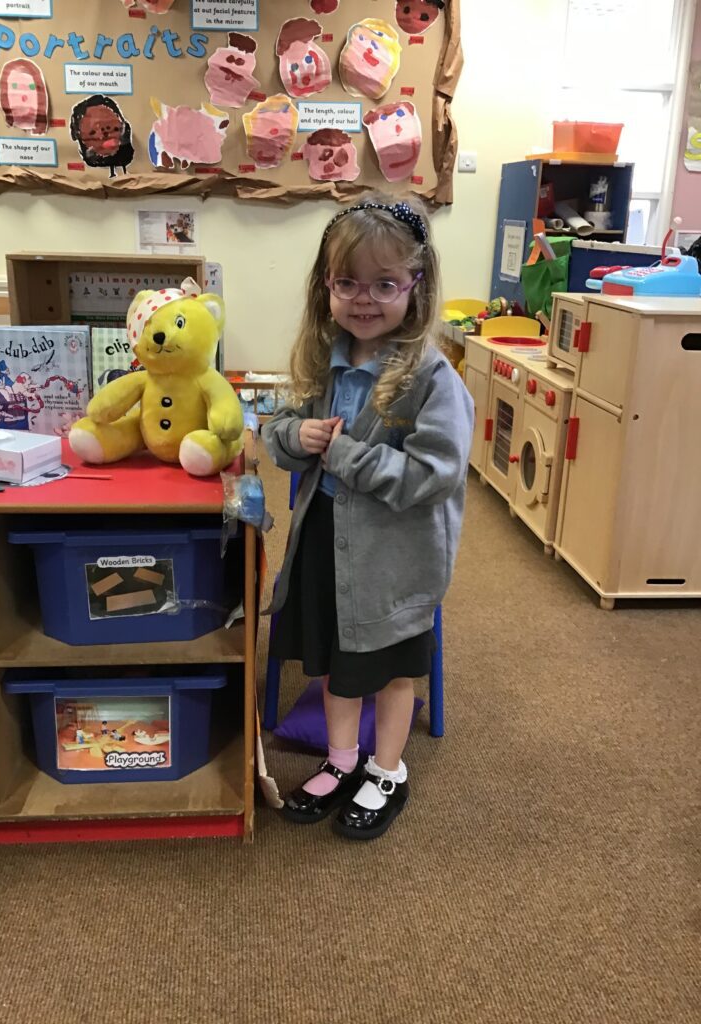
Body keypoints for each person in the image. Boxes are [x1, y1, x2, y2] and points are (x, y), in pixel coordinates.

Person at [262, 192, 474, 841]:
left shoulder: (433, 378)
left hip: (393, 560)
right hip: (326, 542)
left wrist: (347, 456)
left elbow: (434, 475)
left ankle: (387, 771)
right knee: (335, 664)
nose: (364, 299)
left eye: (385, 284)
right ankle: (342, 760)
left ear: (416, 284)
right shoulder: (320, 360)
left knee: (389, 672)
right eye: (347, 283)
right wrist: (296, 437)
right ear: (325, 285)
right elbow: (276, 428)